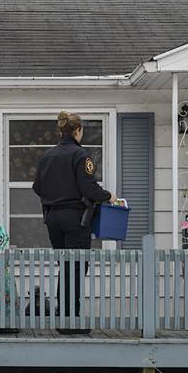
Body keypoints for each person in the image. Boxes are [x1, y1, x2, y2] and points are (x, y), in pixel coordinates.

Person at [33, 111, 118, 334]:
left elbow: (37, 187)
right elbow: (89, 188)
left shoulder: (47, 156)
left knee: (66, 266)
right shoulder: (80, 155)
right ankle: (71, 321)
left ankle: (64, 316)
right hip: (75, 218)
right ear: (77, 130)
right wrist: (109, 196)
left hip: (52, 218)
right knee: (76, 267)